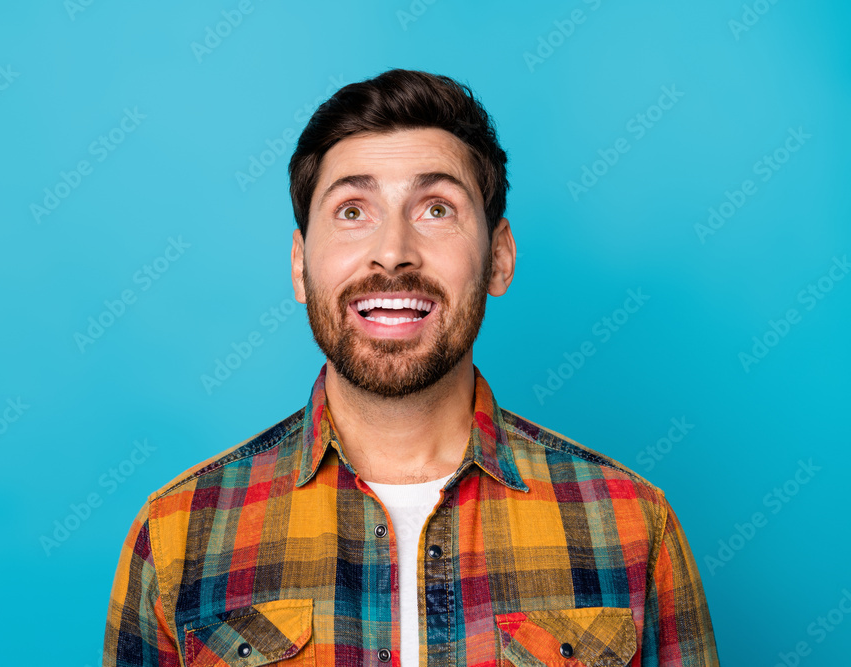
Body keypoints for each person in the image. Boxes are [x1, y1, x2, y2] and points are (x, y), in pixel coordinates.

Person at [102, 68, 719, 667]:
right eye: (352, 211)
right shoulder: (179, 533)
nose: (393, 253)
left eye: (436, 209)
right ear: (299, 265)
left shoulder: (634, 524)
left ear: (499, 258)